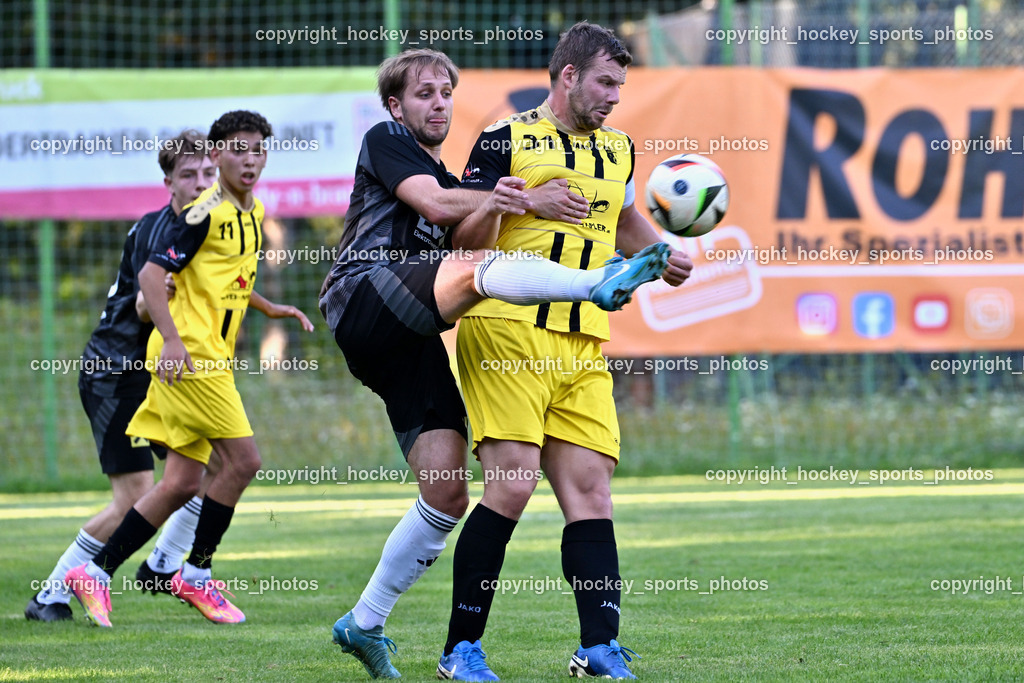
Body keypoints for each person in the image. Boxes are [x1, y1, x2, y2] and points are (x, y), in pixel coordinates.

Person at [318, 48, 674, 679]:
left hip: (418, 335)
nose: (439, 103)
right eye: (424, 93)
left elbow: (475, 210)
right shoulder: (391, 141)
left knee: (447, 494)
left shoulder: (465, 173)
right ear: (397, 106)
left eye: (446, 92)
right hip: (367, 294)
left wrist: (662, 252)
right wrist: (521, 202)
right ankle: (591, 284)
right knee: (477, 274)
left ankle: (365, 622)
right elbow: (436, 210)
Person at [437, 22, 693, 681]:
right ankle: (460, 650)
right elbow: (464, 237)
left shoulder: (619, 149)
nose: (614, 96)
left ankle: (598, 648)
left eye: (621, 85)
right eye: (605, 82)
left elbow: (624, 218)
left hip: (584, 340)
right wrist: (521, 198)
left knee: (592, 492)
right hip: (506, 331)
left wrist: (661, 252)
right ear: (569, 75)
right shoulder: (506, 138)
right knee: (513, 484)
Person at [65, 110, 313, 627]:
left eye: (258, 149)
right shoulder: (204, 213)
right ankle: (195, 575)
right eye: (237, 149)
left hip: (209, 358)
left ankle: (96, 573)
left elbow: (226, 280)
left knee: (180, 482)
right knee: (244, 463)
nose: (249, 159)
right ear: (217, 154)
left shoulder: (253, 211)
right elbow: (153, 275)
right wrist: (174, 341)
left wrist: (271, 309)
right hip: (192, 360)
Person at [25, 129, 221, 621]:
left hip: (158, 373)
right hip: (115, 371)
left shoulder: (207, 225)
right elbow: (141, 304)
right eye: (188, 175)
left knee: (212, 468)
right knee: (135, 495)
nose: (200, 184)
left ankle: (161, 566)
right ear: (168, 182)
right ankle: (50, 595)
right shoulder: (160, 230)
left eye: (208, 174)